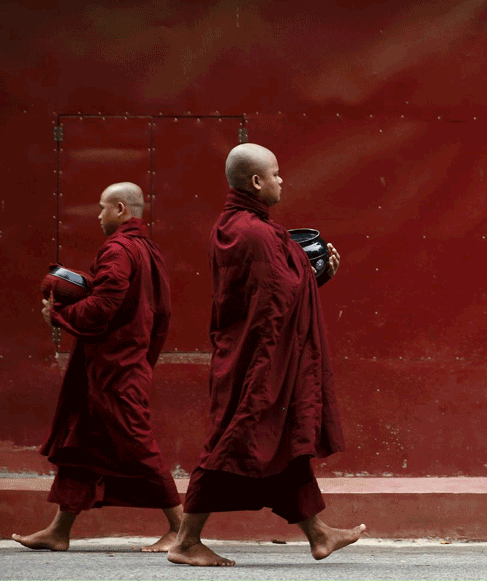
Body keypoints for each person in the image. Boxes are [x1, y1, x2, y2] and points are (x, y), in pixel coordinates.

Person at [167, 143, 366, 567]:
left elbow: (270, 293)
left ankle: (319, 534)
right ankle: (186, 541)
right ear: (257, 181)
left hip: (243, 349)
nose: (281, 180)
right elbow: (278, 299)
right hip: (259, 359)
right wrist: (316, 275)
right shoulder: (258, 233)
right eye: (276, 174)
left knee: (281, 440)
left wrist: (309, 278)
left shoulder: (230, 225)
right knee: (233, 439)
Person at [13, 182, 182, 552]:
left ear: (121, 209)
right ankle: (59, 532)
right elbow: (163, 313)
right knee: (81, 443)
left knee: (137, 442)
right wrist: (144, 356)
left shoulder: (118, 250)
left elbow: (104, 306)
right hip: (124, 362)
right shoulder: (148, 250)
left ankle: (181, 529)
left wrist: (59, 314)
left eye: (103, 208)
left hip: (114, 368)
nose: (98, 215)